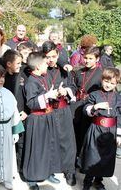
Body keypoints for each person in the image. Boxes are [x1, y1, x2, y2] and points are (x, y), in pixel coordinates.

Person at [22, 52, 61, 190]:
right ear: (38, 66)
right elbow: (31, 103)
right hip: (37, 119)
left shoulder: (43, 77)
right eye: (45, 63)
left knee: (50, 145)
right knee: (36, 149)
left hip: (48, 116)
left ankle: (48, 171)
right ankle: (32, 177)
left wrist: (55, 94)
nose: (48, 64)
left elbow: (46, 94)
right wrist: (47, 95)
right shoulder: (31, 82)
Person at [79, 68, 121, 190]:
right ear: (102, 80)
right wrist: (95, 107)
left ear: (117, 84)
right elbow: (85, 109)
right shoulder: (95, 94)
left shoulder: (118, 97)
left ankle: (98, 180)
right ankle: (88, 181)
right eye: (106, 81)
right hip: (96, 130)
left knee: (105, 158)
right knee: (93, 156)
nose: (108, 85)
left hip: (110, 132)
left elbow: (119, 116)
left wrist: (119, 135)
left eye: (112, 83)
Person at [42, 41, 77, 186]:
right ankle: (50, 170)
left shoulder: (64, 70)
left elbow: (73, 87)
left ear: (57, 55)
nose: (50, 60)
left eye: (53, 56)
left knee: (67, 142)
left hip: (63, 110)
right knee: (50, 141)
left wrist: (66, 91)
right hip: (48, 110)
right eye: (47, 57)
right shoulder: (41, 70)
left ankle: (69, 170)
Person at [72, 47, 103, 154]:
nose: (87, 61)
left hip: (91, 108)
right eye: (85, 58)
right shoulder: (79, 71)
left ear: (97, 59)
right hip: (77, 106)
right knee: (76, 135)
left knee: (87, 136)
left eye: (90, 58)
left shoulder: (101, 74)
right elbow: (74, 86)